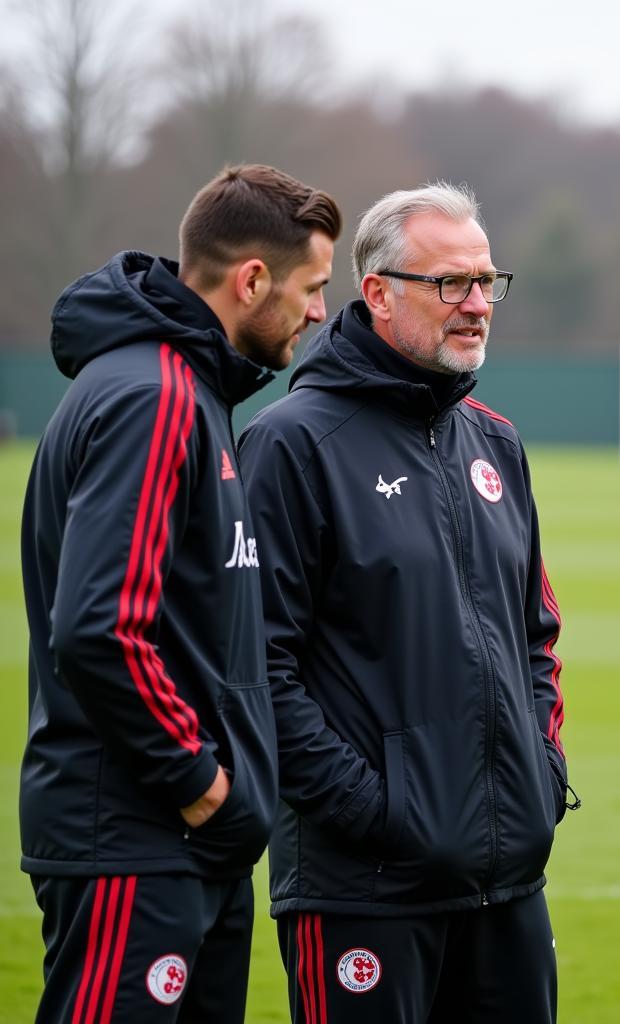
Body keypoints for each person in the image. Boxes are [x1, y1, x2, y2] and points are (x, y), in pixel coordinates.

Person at [237, 181, 574, 1024]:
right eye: (449, 284)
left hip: (507, 882)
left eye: (486, 282)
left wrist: (541, 772)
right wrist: (379, 810)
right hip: (364, 887)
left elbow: (536, 636)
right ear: (378, 293)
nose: (476, 305)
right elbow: (255, 668)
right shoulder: (292, 444)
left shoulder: (496, 441)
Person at [20, 163, 341, 1023]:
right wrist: (203, 786)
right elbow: (99, 631)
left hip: (182, 846)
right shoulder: (153, 396)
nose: (319, 313)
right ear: (251, 280)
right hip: (138, 840)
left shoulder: (189, 393)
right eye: (312, 288)